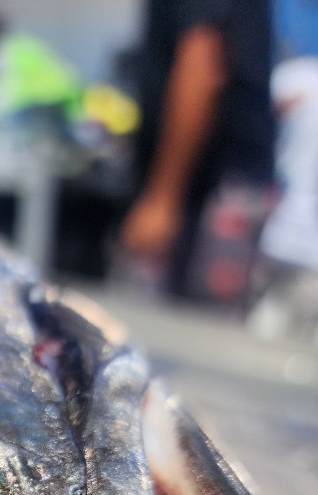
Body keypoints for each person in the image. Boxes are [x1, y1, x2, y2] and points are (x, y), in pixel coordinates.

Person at [118, 0, 276, 305]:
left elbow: (203, 65)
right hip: (206, 186)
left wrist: (163, 197)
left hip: (211, 191)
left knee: (183, 329)